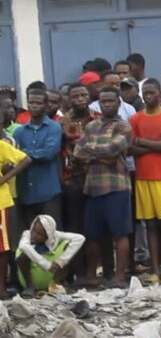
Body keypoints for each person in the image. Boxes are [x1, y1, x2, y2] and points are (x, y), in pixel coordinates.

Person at [73, 86, 133, 288]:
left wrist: (94, 152)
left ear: (118, 103)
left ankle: (119, 276)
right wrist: (103, 155)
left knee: (120, 233)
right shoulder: (91, 126)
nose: (107, 104)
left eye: (111, 101)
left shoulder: (123, 127)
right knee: (92, 234)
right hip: (92, 187)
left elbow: (113, 149)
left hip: (116, 186)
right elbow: (77, 153)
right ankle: (91, 275)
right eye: (103, 101)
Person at [129, 79, 161, 284]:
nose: (148, 97)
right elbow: (130, 148)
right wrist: (156, 144)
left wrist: (142, 142)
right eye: (145, 93)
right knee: (149, 224)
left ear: (160, 93)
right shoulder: (135, 118)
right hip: (142, 177)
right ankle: (155, 270)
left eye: (152, 93)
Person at [59, 83, 96, 283]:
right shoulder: (62, 122)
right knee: (75, 228)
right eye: (76, 96)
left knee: (95, 227)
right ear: (69, 99)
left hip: (96, 179)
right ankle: (78, 273)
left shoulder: (98, 119)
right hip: (72, 180)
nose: (80, 98)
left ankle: (96, 272)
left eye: (83, 94)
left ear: (89, 96)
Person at [13, 89, 64, 230]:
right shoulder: (19, 131)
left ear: (46, 105)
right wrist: (25, 155)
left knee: (53, 233)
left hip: (48, 191)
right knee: (30, 235)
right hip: (26, 192)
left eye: (38, 103)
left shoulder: (54, 127)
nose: (34, 106)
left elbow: (48, 153)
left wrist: (23, 154)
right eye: (31, 102)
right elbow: (14, 157)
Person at [17, 214, 84, 295]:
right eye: (34, 231)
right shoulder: (27, 234)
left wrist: (60, 261)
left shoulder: (56, 236)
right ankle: (30, 287)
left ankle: (56, 284)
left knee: (67, 245)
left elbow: (80, 238)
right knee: (23, 255)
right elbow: (23, 246)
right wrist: (46, 265)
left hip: (53, 272)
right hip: (33, 276)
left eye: (40, 234)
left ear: (48, 235)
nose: (35, 235)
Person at [0, 138, 32, 298]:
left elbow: (25, 159)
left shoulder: (1, 145)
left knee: (2, 247)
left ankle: (1, 288)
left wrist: (5, 179)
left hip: (0, 202)